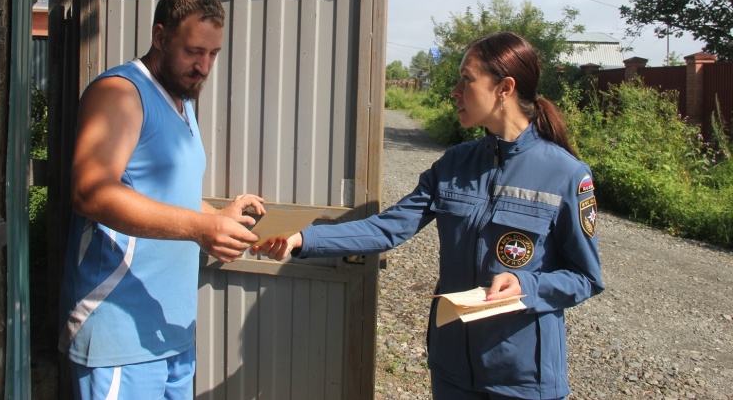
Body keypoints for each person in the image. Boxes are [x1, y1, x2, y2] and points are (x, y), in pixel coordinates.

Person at [254, 32, 604, 399]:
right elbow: (388, 228)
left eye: (466, 79)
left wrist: (528, 286)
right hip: (451, 372)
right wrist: (302, 239)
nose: (454, 90)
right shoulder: (455, 163)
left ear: (505, 87)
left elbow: (585, 277)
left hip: (523, 380)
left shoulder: (566, 175)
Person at [59, 0, 265, 399]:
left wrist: (218, 218)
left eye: (213, 54)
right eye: (193, 51)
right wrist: (199, 228)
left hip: (170, 330)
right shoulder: (120, 92)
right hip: (119, 333)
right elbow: (90, 193)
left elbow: (168, 196)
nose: (204, 66)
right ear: (160, 35)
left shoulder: (181, 101)